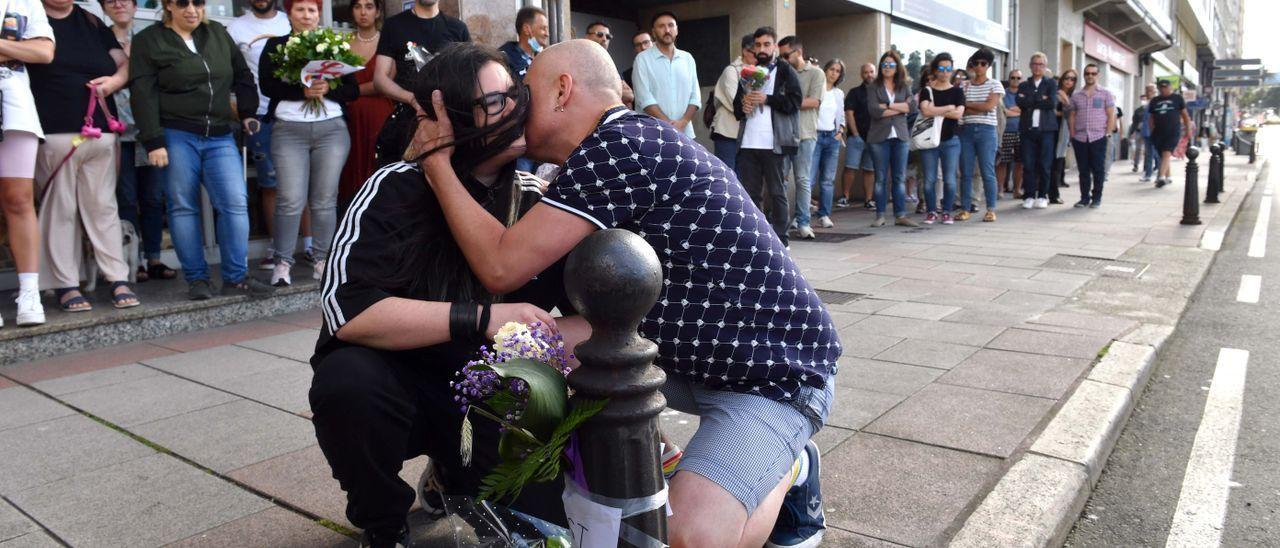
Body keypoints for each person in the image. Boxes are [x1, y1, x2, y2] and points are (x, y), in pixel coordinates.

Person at [412, 38, 839, 548]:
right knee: (511, 350)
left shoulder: (622, 145)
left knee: (686, 539)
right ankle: (635, 459)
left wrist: (435, 163)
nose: (518, 110)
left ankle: (789, 466)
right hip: (677, 354)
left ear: (563, 90)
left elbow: (503, 266)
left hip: (775, 374)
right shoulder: (608, 150)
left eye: (526, 93)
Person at [311, 42, 578, 548]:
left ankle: (450, 475)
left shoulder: (535, 200)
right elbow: (349, 312)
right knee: (348, 382)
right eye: (498, 102)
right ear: (448, 115)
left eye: (518, 93)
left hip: (488, 395)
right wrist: (481, 318)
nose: (520, 108)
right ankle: (383, 522)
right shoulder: (394, 188)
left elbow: (597, 314)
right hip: (397, 382)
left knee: (536, 530)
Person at [130, 0, 274, 300]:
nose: (191, 9)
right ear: (168, 6)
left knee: (235, 203)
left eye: (198, 2)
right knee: (183, 207)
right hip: (176, 133)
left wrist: (247, 112)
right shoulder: (148, 40)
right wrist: (153, 140)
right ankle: (197, 279)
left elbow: (242, 75)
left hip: (220, 134)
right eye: (183, 3)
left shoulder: (218, 34)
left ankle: (235, 278)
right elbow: (142, 94)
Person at [28, 0, 139, 311]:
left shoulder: (90, 20)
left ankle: (117, 277)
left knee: (103, 208)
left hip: (102, 130)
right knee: (59, 211)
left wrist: (115, 82)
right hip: (53, 129)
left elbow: (126, 63)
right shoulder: (28, 17)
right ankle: (65, 283)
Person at [258, 0, 357, 287]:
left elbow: (352, 90)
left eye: (311, 10)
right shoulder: (276, 46)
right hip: (289, 130)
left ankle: (322, 260)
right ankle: (282, 263)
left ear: (318, 15)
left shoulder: (335, 46)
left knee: (325, 199)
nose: (306, 15)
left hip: (331, 130)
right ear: (289, 14)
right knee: (290, 199)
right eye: (299, 9)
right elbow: (267, 85)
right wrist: (302, 90)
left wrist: (328, 87)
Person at [100, 0, 175, 283]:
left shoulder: (152, 37)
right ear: (104, 8)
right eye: (111, 1)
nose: (119, 5)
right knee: (126, 199)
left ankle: (154, 258)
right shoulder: (100, 39)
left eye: (125, 0)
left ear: (135, 5)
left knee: (154, 198)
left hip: (150, 131)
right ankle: (133, 262)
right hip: (116, 130)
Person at [0, 0, 54, 327]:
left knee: (19, 199)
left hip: (16, 103)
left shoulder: (25, 1)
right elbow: (29, 51)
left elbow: (45, 52)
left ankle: (29, 292)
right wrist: (16, 48)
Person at [227, 0, 290, 271]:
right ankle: (278, 248)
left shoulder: (289, 22)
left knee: (302, 182)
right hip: (259, 116)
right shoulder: (235, 28)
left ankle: (309, 245)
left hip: (292, 110)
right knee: (270, 182)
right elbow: (233, 74)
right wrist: (242, 112)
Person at [371, 0, 469, 166]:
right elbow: (380, 80)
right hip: (406, 124)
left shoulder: (458, 28)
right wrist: (412, 99)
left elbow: (468, 76)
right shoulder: (394, 25)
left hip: (451, 123)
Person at [733, 26, 801, 247]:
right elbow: (736, 109)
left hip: (775, 144)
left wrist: (767, 99)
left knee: (777, 192)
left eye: (766, 44)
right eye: (758, 45)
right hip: (748, 143)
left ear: (774, 46)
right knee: (751, 194)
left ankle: (782, 239)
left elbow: (795, 103)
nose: (762, 49)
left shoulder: (785, 70)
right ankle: (758, 238)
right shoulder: (748, 72)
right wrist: (743, 105)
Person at [337, 0, 395, 208]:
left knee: (376, 165)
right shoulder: (342, 43)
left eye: (369, 6)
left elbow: (389, 79)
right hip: (348, 117)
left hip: (378, 115)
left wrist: (351, 92)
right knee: (349, 167)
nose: (363, 12)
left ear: (378, 11)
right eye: (358, 6)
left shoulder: (387, 41)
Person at [777, 36, 823, 240]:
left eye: (786, 55)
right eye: (781, 56)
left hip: (805, 133)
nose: (783, 59)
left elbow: (814, 101)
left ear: (798, 52)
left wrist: (788, 101)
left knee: (803, 179)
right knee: (781, 180)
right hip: (783, 133)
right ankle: (781, 222)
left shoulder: (816, 73)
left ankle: (803, 222)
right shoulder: (780, 72)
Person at [867, 50, 919, 227]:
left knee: (899, 177)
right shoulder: (873, 87)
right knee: (881, 177)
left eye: (891, 65)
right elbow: (874, 110)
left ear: (897, 67)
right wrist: (900, 108)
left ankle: (900, 215)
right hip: (879, 137)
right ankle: (880, 215)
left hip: (900, 136)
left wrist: (888, 106)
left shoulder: (904, 86)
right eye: (884, 65)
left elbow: (912, 107)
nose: (887, 68)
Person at [631, 11, 700, 139]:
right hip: (653, 134)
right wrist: (669, 125)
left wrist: (683, 121)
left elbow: (695, 96)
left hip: (685, 133)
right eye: (661, 26)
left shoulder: (687, 58)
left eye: (671, 25)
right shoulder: (642, 59)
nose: (667, 30)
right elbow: (644, 98)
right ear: (653, 32)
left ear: (677, 30)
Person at [916, 53, 964, 225]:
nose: (945, 72)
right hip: (929, 140)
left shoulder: (957, 91)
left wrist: (937, 109)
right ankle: (931, 211)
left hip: (951, 141)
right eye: (941, 69)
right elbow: (925, 111)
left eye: (948, 69)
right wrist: (948, 108)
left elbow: (959, 114)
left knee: (949, 179)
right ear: (936, 70)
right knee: (929, 179)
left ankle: (946, 212)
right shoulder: (927, 90)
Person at [959, 48, 1003, 222]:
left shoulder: (995, 84)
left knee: (987, 171)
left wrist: (968, 106)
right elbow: (961, 108)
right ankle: (965, 208)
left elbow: (989, 106)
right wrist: (972, 106)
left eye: (983, 63)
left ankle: (991, 209)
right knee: (966, 172)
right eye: (975, 63)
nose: (979, 66)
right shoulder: (964, 85)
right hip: (966, 130)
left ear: (989, 66)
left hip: (987, 131)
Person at [1067, 63, 1115, 208]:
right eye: (1087, 73)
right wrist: (1072, 134)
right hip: (1080, 137)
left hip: (1098, 136)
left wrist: (1108, 133)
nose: (1090, 76)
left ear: (1098, 75)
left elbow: (1111, 115)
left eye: (1093, 73)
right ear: (1084, 75)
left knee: (1098, 169)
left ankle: (1097, 198)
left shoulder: (1105, 93)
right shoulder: (1076, 95)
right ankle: (1084, 198)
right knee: (1083, 170)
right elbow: (1072, 116)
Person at [1015, 52, 1058, 209]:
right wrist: (1040, 99)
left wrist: (1031, 100)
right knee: (1028, 164)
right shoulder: (1024, 85)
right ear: (1030, 65)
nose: (1037, 67)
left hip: (1046, 130)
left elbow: (1052, 103)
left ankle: (1042, 195)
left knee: (1045, 164)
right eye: (1035, 64)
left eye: (1041, 64)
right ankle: (1029, 195)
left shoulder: (1051, 83)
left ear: (1045, 66)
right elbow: (1020, 102)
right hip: (1028, 130)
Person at [711, 34, 755, 172]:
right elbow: (736, 102)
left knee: (745, 177)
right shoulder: (731, 71)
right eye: (756, 51)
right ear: (746, 51)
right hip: (728, 132)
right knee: (728, 176)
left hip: (748, 135)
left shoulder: (761, 71)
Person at [810, 59, 845, 229]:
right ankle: (801, 215)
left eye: (837, 71)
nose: (834, 73)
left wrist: (841, 131)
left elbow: (841, 115)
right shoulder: (817, 89)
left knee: (827, 180)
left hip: (832, 138)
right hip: (815, 136)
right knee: (808, 178)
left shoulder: (839, 94)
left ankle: (824, 214)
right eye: (831, 69)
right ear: (825, 70)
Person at [840, 62, 876, 210]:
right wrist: (855, 134)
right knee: (850, 168)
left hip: (874, 138)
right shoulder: (854, 92)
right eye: (866, 72)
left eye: (871, 72)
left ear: (875, 73)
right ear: (862, 74)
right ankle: (845, 197)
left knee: (870, 170)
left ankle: (868, 200)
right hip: (857, 138)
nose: (869, 75)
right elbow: (849, 113)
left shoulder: (880, 92)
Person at [1148, 78, 1192, 188]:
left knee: (1166, 153)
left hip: (1173, 131)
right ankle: (1168, 176)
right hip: (1158, 132)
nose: (1163, 90)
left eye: (1166, 87)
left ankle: (1161, 177)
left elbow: (1185, 116)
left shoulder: (1177, 99)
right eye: (1161, 88)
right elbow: (1151, 117)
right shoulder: (1154, 100)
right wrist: (1152, 130)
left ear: (1170, 88)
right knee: (1162, 155)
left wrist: (1188, 130)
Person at [583, 21, 635, 114]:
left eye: (608, 36)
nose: (604, 39)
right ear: (587, 37)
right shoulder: (579, 61)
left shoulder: (611, 65)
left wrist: (602, 91)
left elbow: (629, 95)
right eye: (599, 34)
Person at [1049, 68, 1077, 203]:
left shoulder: (1073, 96)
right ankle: (1050, 193)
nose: (1069, 81)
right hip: (1051, 131)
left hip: (1064, 134)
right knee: (1050, 163)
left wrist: (1066, 105)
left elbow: (1073, 115)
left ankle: (1054, 194)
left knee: (1058, 163)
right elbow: (1052, 111)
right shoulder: (1055, 93)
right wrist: (1066, 110)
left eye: (1072, 79)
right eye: (1067, 78)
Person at [497, 5, 545, 81]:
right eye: (543, 28)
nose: (547, 34)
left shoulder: (544, 59)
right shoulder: (503, 60)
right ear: (526, 29)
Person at [997, 70, 1023, 198]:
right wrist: (1019, 111)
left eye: (1018, 78)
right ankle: (1000, 190)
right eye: (1013, 77)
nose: (1015, 80)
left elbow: (1027, 109)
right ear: (1009, 79)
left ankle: (1017, 190)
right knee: (1002, 162)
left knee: (1020, 162)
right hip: (1005, 132)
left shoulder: (1024, 94)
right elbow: (1002, 112)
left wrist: (1017, 110)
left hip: (1022, 132)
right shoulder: (1003, 94)